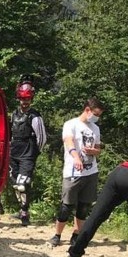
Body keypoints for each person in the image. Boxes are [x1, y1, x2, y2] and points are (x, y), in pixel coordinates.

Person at [50, 98, 106, 248]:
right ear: (87, 110)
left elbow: (98, 148)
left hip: (91, 171)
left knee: (84, 206)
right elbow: (68, 141)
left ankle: (76, 235)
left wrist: (94, 151)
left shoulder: (95, 128)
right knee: (66, 206)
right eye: (95, 113)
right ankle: (57, 235)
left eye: (99, 115)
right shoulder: (71, 124)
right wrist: (76, 157)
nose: (96, 117)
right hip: (73, 171)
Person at [8, 76, 47, 225]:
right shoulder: (14, 114)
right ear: (19, 98)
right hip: (14, 152)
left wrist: (36, 152)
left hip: (28, 153)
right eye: (23, 99)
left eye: (28, 99)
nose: (25, 102)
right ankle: (22, 210)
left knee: (23, 184)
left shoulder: (35, 116)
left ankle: (25, 213)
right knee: (15, 184)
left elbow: (42, 137)